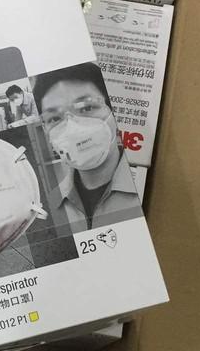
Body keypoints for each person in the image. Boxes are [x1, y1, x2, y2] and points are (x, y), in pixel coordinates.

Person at [32, 63, 141, 230]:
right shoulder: (52, 205)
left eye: (87, 108)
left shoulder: (144, 185)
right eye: (54, 119)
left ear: (113, 111)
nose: (73, 129)